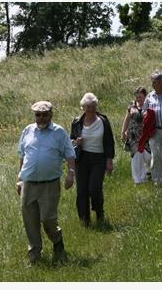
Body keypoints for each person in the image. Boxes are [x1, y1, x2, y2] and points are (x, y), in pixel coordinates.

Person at [16, 100, 76, 264]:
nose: (41, 118)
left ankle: (57, 242)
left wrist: (71, 174)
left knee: (48, 219)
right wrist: (20, 179)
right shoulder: (28, 131)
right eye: (38, 115)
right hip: (29, 183)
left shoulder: (59, 132)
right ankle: (34, 255)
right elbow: (22, 155)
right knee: (30, 221)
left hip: (50, 184)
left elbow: (70, 154)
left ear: (51, 114)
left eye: (44, 115)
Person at [70, 93, 115, 227]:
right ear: (82, 107)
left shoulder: (103, 121)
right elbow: (70, 141)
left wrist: (109, 160)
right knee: (82, 191)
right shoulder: (76, 122)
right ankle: (85, 220)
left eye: (93, 106)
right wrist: (75, 142)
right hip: (82, 158)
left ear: (96, 106)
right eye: (87, 107)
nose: (90, 109)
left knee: (94, 188)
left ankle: (99, 213)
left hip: (98, 159)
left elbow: (109, 142)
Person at [121, 86, 152, 184]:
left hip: (146, 135)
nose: (138, 99)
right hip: (133, 135)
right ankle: (138, 179)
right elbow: (127, 119)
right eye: (137, 97)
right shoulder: (132, 106)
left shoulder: (150, 105)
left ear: (145, 97)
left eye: (140, 97)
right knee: (136, 156)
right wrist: (123, 132)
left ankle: (149, 170)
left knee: (148, 156)